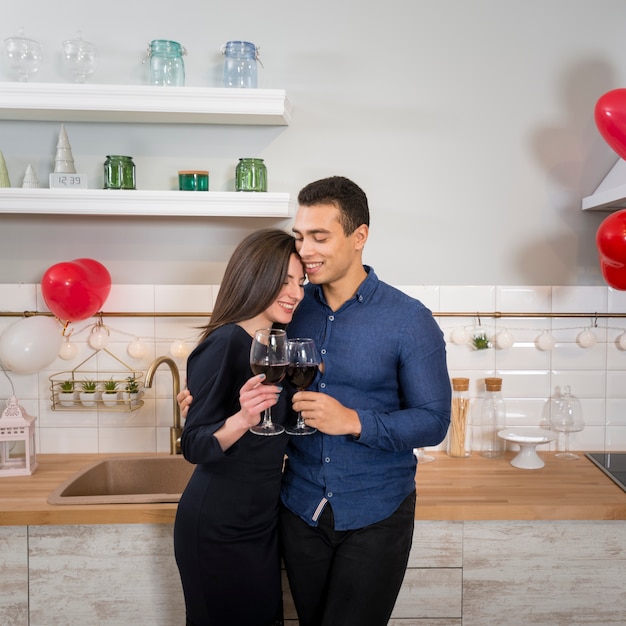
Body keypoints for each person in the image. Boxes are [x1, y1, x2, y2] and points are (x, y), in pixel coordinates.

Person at [179, 176, 451, 626]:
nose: (305, 250)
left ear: (359, 237)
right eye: (301, 236)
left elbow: (434, 421)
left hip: (375, 511)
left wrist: (354, 421)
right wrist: (204, 396)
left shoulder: (409, 320)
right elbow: (241, 363)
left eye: (320, 237)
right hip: (296, 509)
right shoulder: (289, 304)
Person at [174, 228, 306, 626]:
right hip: (219, 525)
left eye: (300, 282)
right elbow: (194, 445)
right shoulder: (225, 342)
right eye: (284, 280)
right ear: (255, 276)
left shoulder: (273, 346)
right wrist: (242, 419)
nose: (296, 293)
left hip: (260, 521)